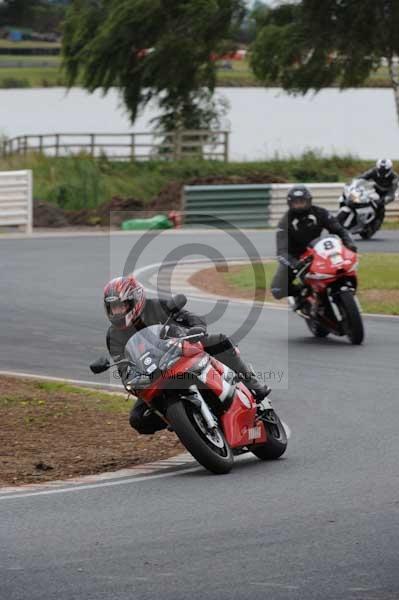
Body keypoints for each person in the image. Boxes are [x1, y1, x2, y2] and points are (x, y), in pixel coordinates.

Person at [104, 275, 270, 434]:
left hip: (185, 349)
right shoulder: (114, 336)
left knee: (220, 340)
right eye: (113, 307)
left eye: (122, 306)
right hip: (154, 375)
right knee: (137, 419)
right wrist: (131, 381)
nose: (117, 311)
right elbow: (123, 368)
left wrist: (197, 330)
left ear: (136, 299)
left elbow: (192, 318)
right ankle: (182, 420)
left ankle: (251, 383)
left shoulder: (158, 306)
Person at [271, 185, 357, 309]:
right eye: (296, 203)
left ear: (309, 201)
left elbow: (339, 229)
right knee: (277, 290)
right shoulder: (284, 222)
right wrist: (295, 263)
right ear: (290, 203)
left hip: (318, 251)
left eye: (302, 202)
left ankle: (342, 290)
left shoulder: (320, 212)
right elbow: (281, 252)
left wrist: (349, 243)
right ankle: (302, 294)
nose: (299, 205)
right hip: (295, 257)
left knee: (341, 267)